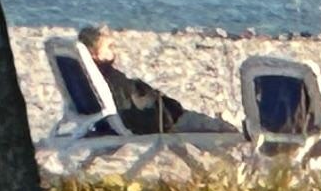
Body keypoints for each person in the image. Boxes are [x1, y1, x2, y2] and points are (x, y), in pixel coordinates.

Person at [75, 24, 221, 138]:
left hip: (107, 124)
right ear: (95, 55)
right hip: (163, 123)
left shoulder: (84, 77)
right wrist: (153, 100)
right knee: (221, 130)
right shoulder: (112, 79)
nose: (114, 51)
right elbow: (132, 113)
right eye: (109, 47)